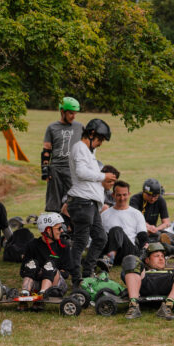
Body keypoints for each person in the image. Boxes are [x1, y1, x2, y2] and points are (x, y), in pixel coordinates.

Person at [65, 118, 117, 285]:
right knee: (81, 241)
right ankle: (76, 278)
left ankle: (88, 272)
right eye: (100, 139)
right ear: (92, 133)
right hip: (82, 202)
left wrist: (104, 180)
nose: (100, 143)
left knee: (100, 237)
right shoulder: (80, 147)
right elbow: (81, 172)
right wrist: (103, 176)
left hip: (90, 203)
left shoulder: (89, 152)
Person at [120, 242, 174, 320]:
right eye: (156, 256)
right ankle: (133, 306)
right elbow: (131, 263)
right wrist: (142, 255)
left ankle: (167, 306)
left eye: (162, 256)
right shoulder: (141, 272)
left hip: (170, 286)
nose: (161, 258)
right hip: (144, 284)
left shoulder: (173, 272)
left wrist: (172, 249)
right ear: (147, 260)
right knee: (130, 260)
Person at [41, 96, 83, 213]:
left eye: (75, 113)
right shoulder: (52, 127)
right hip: (56, 169)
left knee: (73, 201)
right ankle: (55, 221)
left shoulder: (79, 127)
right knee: (54, 203)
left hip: (72, 169)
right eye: (70, 113)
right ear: (62, 111)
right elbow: (46, 150)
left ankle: (69, 222)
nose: (73, 116)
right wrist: (45, 170)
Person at [101, 180, 148, 267]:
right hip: (108, 249)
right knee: (111, 233)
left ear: (129, 194)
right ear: (113, 195)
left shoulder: (136, 214)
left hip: (128, 252)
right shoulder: (104, 214)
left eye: (124, 195)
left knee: (116, 229)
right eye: (119, 195)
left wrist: (144, 254)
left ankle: (109, 259)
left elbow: (143, 237)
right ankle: (109, 258)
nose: (122, 198)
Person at [20, 212, 69, 295]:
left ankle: (43, 293)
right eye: (59, 228)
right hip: (36, 283)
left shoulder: (64, 245)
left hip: (56, 285)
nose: (62, 230)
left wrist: (48, 272)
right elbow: (23, 272)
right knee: (32, 263)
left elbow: (66, 273)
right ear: (48, 230)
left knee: (49, 265)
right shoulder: (32, 245)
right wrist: (39, 272)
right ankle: (25, 292)